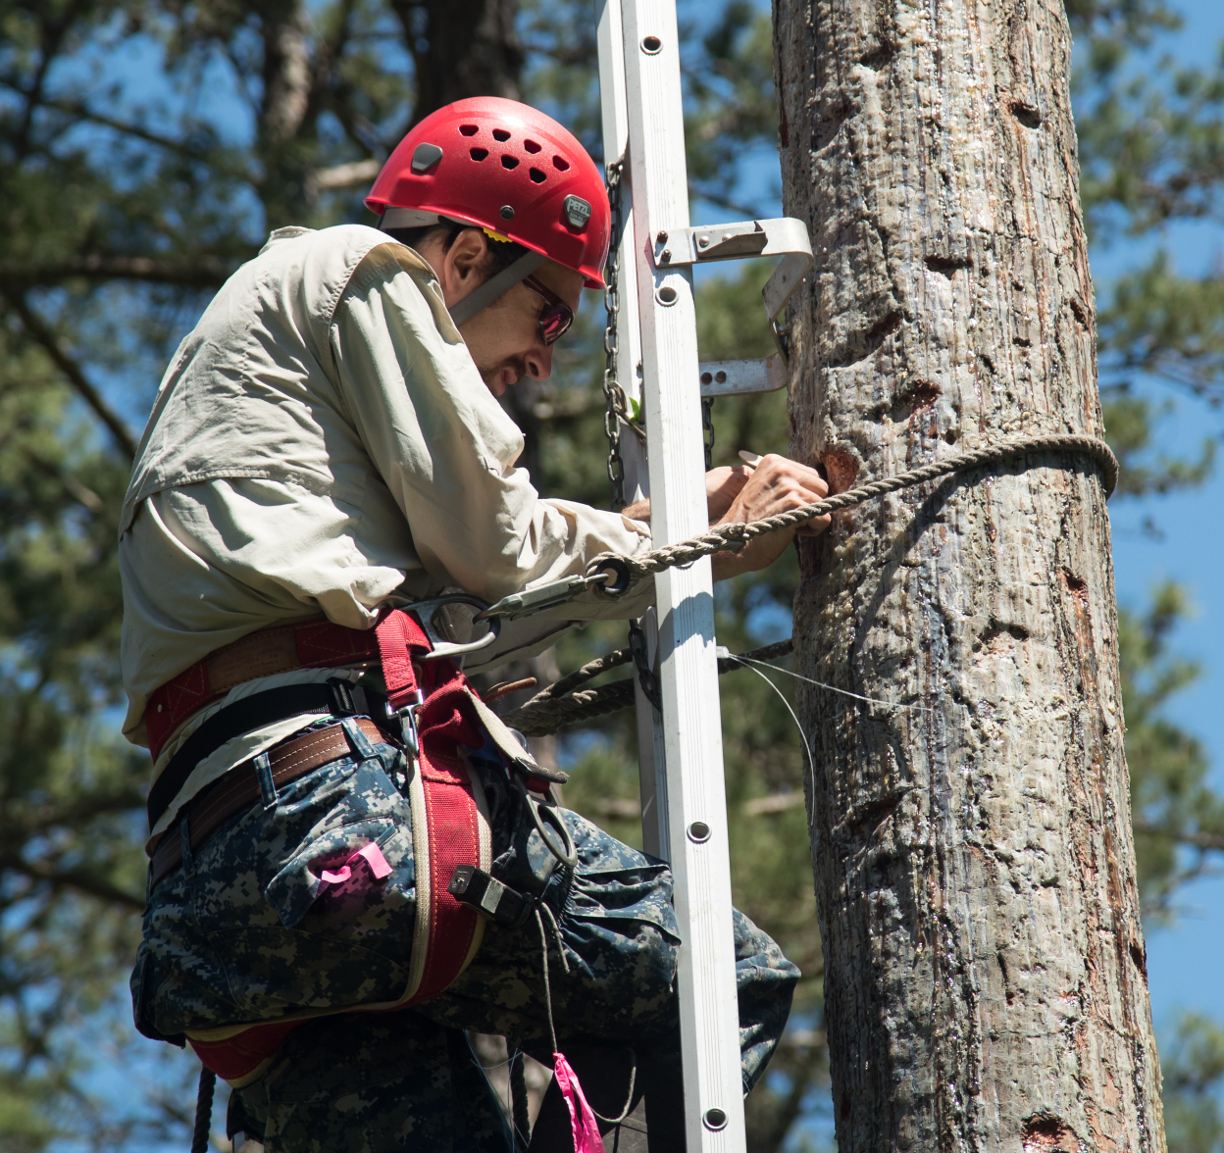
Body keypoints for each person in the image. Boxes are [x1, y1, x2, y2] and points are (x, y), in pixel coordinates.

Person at [123, 96, 831, 1152]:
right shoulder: (370, 273)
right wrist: (703, 537)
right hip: (334, 810)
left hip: (226, 892)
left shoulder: (250, 364)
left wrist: (667, 519)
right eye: (546, 312)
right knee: (720, 980)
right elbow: (496, 544)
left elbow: (472, 578)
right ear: (462, 257)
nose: (543, 359)